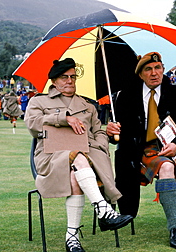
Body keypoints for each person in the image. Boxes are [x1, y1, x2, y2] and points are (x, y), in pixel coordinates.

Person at [24, 58, 133, 252]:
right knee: (78, 157)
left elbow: (99, 132)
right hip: (51, 157)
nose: (70, 81)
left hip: (87, 157)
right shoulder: (38, 101)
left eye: (73, 77)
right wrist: (63, 118)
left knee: (76, 171)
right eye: (64, 77)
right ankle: (103, 210)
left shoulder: (88, 105)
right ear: (54, 81)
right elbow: (33, 125)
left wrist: (102, 142)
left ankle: (72, 238)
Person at [106, 52, 176, 249]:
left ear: (163, 69)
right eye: (148, 69)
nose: (154, 73)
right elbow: (117, 135)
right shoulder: (125, 96)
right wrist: (111, 131)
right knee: (166, 168)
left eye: (158, 67)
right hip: (141, 150)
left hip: (174, 145)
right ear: (141, 74)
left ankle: (171, 204)